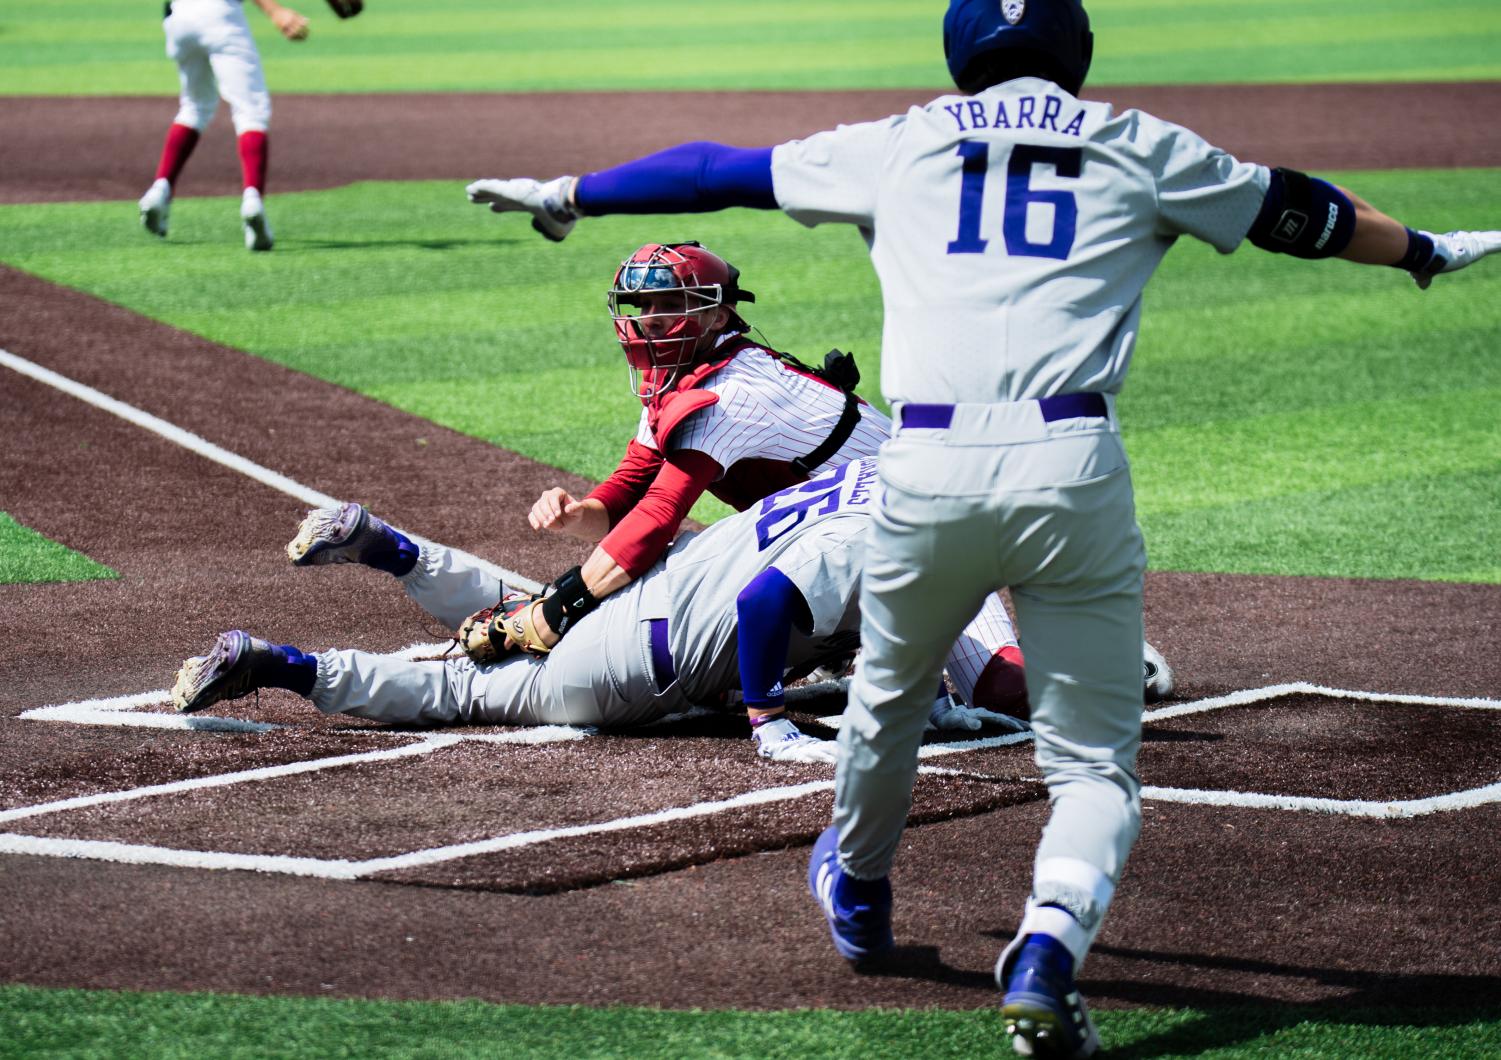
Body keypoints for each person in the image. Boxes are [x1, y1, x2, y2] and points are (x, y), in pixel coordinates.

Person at [461, 0, 1501, 1053]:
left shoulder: (901, 143)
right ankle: (1048, 946)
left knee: (889, 703)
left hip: (923, 471)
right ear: (1076, 52)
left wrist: (567, 193)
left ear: (960, 56)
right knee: (1094, 766)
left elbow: (708, 170)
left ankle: (859, 889)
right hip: (1072, 469)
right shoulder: (1139, 145)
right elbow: (1305, 213)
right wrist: (1421, 247)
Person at [499, 239, 1029, 742]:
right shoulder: (682, 376)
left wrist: (561, 605)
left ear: (716, 316)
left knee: (1009, 692)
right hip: (843, 548)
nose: (650, 320)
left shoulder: (733, 394)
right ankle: (855, 644)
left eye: (670, 304)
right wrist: (577, 514)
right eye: (641, 306)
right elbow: (625, 495)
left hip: (937, 528)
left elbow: (659, 515)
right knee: (737, 637)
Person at [170, 460, 1032, 761]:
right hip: (632, 665)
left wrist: (930, 702)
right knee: (465, 689)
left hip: (647, 593)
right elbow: (771, 602)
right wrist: (770, 720)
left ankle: (390, 546)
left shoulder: (868, 481)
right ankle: (277, 664)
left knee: (526, 607)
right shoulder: (901, 529)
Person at [137, 0, 357, 252]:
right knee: (251, 112)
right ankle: (253, 200)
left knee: (194, 107)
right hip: (219, 14)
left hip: (179, 16)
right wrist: (276, 11)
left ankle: (159, 191)